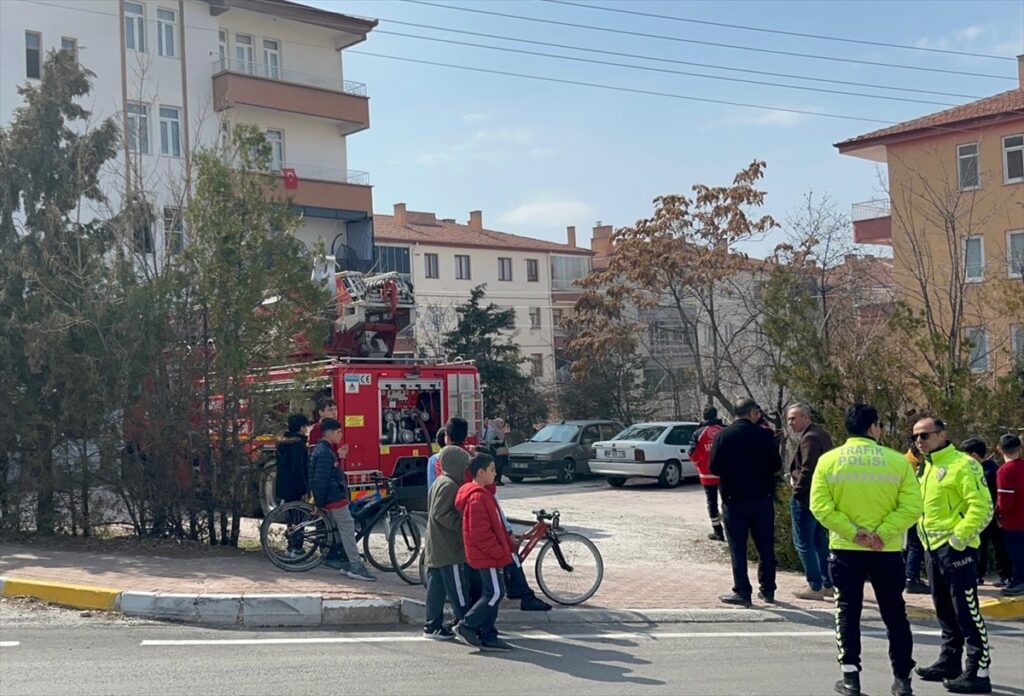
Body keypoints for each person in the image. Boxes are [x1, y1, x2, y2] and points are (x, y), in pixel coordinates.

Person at [811, 404, 922, 696]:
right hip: (886, 551)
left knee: (847, 612)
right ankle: (902, 680)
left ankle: (850, 679)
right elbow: (912, 507)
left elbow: (820, 506)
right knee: (895, 614)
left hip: (846, 549)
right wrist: (882, 533)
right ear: (874, 427)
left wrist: (853, 532)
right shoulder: (898, 462)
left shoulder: (828, 461)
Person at [912, 417, 992, 694]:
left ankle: (978, 670)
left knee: (967, 611)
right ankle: (950, 661)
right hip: (932, 549)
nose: (919, 441)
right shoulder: (927, 468)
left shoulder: (963, 464)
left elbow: (982, 507)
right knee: (944, 610)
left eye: (925, 435)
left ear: (942, 434)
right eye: (916, 437)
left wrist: (958, 540)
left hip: (957, 549)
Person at [709, 397, 783, 607]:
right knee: (765, 546)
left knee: (738, 548)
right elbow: (776, 465)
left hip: (734, 499)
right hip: (762, 498)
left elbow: (714, 468)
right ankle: (768, 589)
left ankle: (743, 591)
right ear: (751, 413)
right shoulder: (765, 436)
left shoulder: (723, 436)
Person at [453, 453, 515, 651]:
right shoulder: (477, 497)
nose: (495, 474)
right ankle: (467, 625)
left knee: (493, 592)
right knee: (495, 592)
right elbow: (480, 533)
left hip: (489, 554)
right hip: (488, 556)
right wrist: (498, 551)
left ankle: (488, 633)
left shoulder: (482, 493)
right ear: (481, 472)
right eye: (492, 470)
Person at [309, 418, 375, 582]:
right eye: (338, 432)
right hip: (334, 497)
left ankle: (345, 561)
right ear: (329, 433)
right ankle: (355, 566)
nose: (341, 435)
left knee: (341, 528)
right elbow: (320, 480)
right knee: (347, 526)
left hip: (332, 495)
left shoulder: (324, 450)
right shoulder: (325, 453)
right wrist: (319, 503)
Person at [786, 403, 835, 601]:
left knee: (804, 542)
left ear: (806, 418)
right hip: (817, 497)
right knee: (819, 541)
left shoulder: (811, 438)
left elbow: (808, 469)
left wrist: (797, 492)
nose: (790, 423)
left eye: (794, 418)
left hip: (806, 498)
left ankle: (815, 585)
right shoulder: (819, 434)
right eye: (789, 419)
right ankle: (827, 583)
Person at [422, 444, 472, 640]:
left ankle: (432, 625)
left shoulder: (439, 481)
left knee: (437, 588)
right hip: (448, 547)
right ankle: (464, 624)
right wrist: (463, 523)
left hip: (436, 545)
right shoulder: (449, 485)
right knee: (457, 588)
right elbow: (440, 514)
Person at [960, 438, 1012, 587]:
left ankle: (1005, 575)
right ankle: (978, 574)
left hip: (993, 516)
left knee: (999, 547)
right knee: (980, 547)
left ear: (975, 456)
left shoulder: (990, 471)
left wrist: (998, 514)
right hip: (980, 516)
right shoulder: (978, 469)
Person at [275, 413, 311, 557]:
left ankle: (290, 547)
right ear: (302, 427)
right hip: (296, 487)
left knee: (291, 519)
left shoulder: (283, 443)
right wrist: (305, 488)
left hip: (285, 485)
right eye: (306, 426)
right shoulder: (298, 445)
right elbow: (299, 469)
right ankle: (296, 548)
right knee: (299, 519)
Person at [690, 406, 726, 541]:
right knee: (728, 500)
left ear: (704, 417)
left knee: (712, 502)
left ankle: (718, 531)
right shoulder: (723, 430)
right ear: (716, 415)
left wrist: (699, 464)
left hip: (707, 474)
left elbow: (691, 452)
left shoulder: (698, 432)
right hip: (725, 474)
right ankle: (730, 529)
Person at [995, 434, 1024, 597]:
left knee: (1016, 553)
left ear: (999, 449)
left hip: (1013, 521)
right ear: (1019, 448)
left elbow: (1004, 501)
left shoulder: (1004, 471)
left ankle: (1019, 581)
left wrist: (998, 514)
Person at [903, 445, 930, 595]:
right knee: (916, 546)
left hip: (907, 509)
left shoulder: (905, 461)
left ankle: (909, 577)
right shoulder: (912, 465)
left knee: (911, 546)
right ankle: (911, 580)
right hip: (914, 510)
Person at [482, 417, 510, 485]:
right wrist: (497, 441)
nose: (501, 424)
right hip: (495, 452)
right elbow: (489, 441)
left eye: (502, 423)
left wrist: (507, 449)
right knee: (497, 465)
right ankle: (495, 480)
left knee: (501, 466)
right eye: (500, 423)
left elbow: (504, 441)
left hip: (502, 452)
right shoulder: (493, 431)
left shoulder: (501, 431)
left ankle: (499, 480)